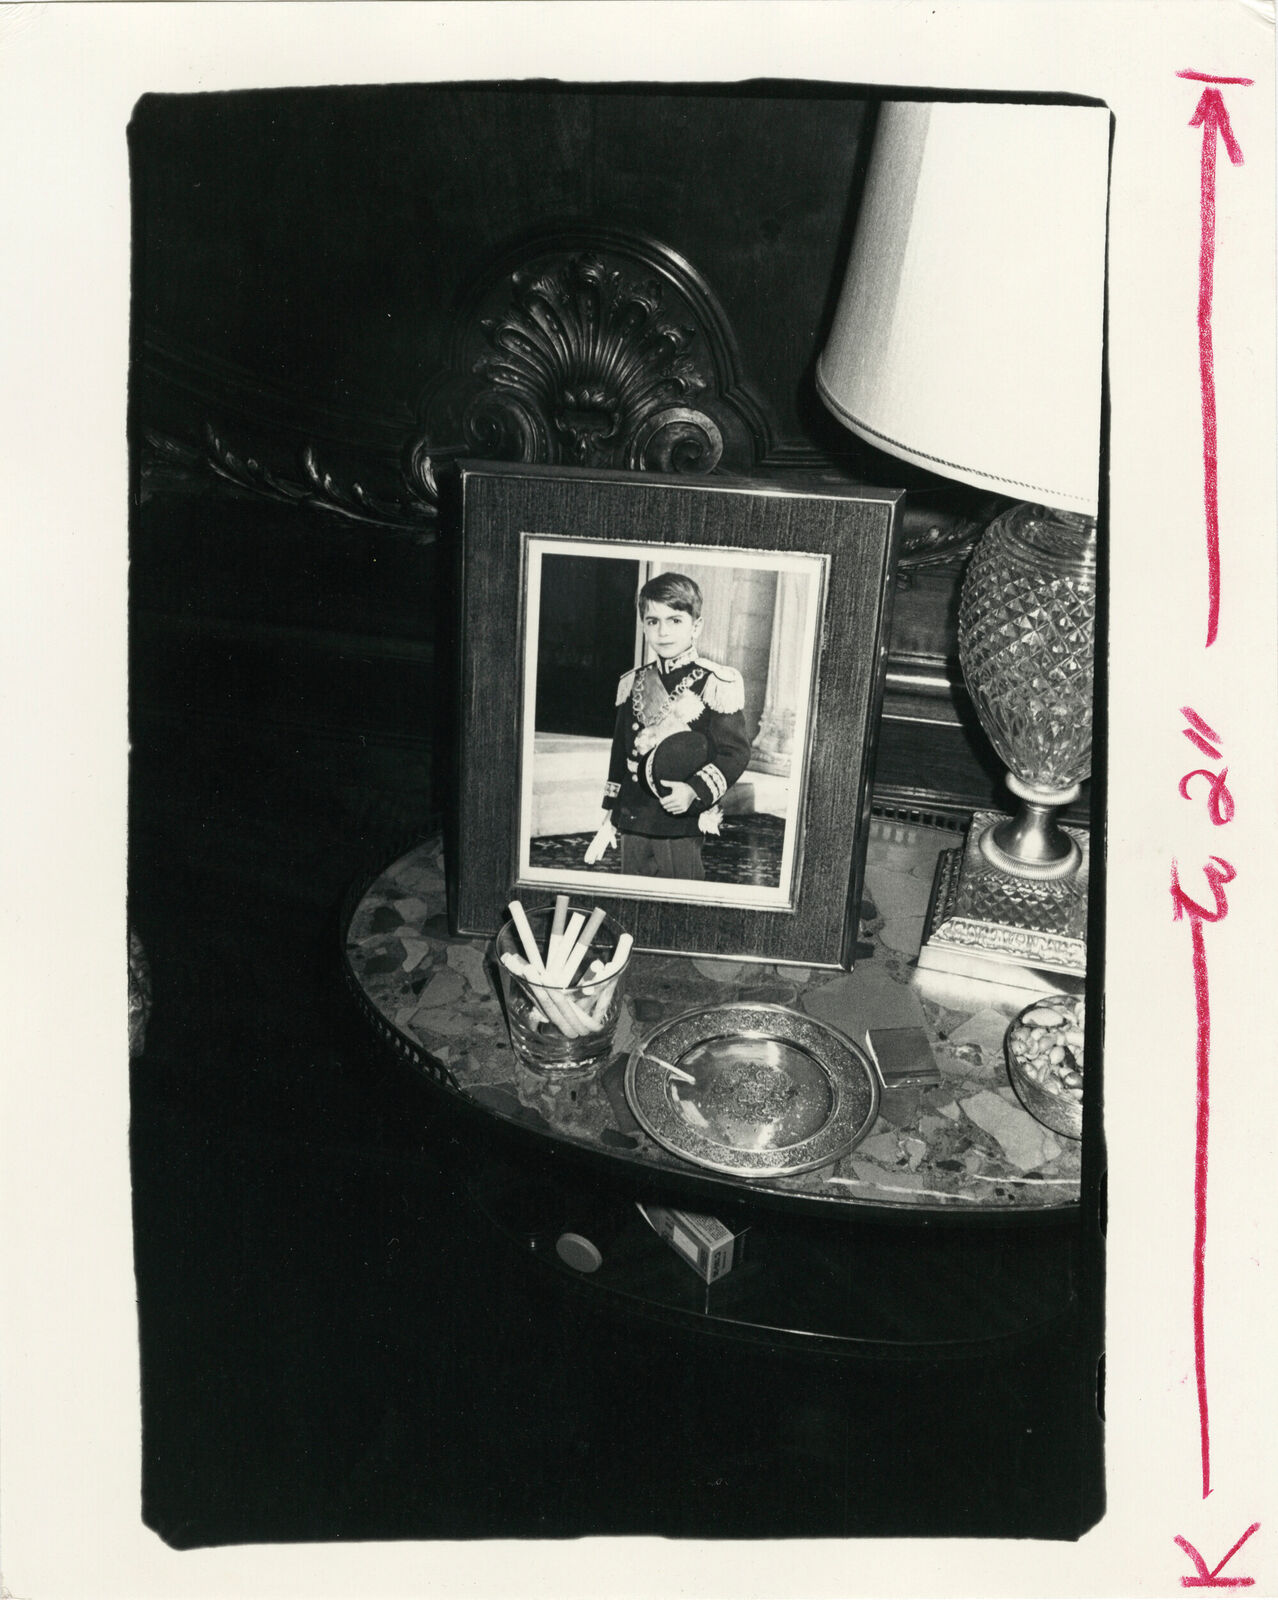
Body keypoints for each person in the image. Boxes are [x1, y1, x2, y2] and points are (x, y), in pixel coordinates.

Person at [585, 572, 751, 880]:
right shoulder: (633, 681)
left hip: (679, 822)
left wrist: (694, 790)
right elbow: (620, 753)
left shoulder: (714, 682)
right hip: (634, 818)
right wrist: (612, 813)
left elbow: (735, 752)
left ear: (696, 626)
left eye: (675, 620)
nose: (663, 632)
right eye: (653, 621)